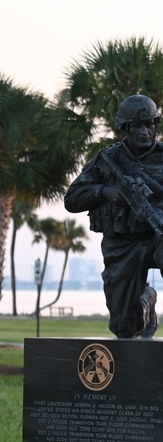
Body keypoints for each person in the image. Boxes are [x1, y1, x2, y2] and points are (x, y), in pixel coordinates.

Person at [64, 94, 163, 339]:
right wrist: (104, 191)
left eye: (149, 124)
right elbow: (72, 199)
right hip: (123, 244)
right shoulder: (107, 160)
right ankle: (147, 302)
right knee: (125, 327)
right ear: (125, 128)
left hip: (158, 235)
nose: (144, 131)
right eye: (137, 126)